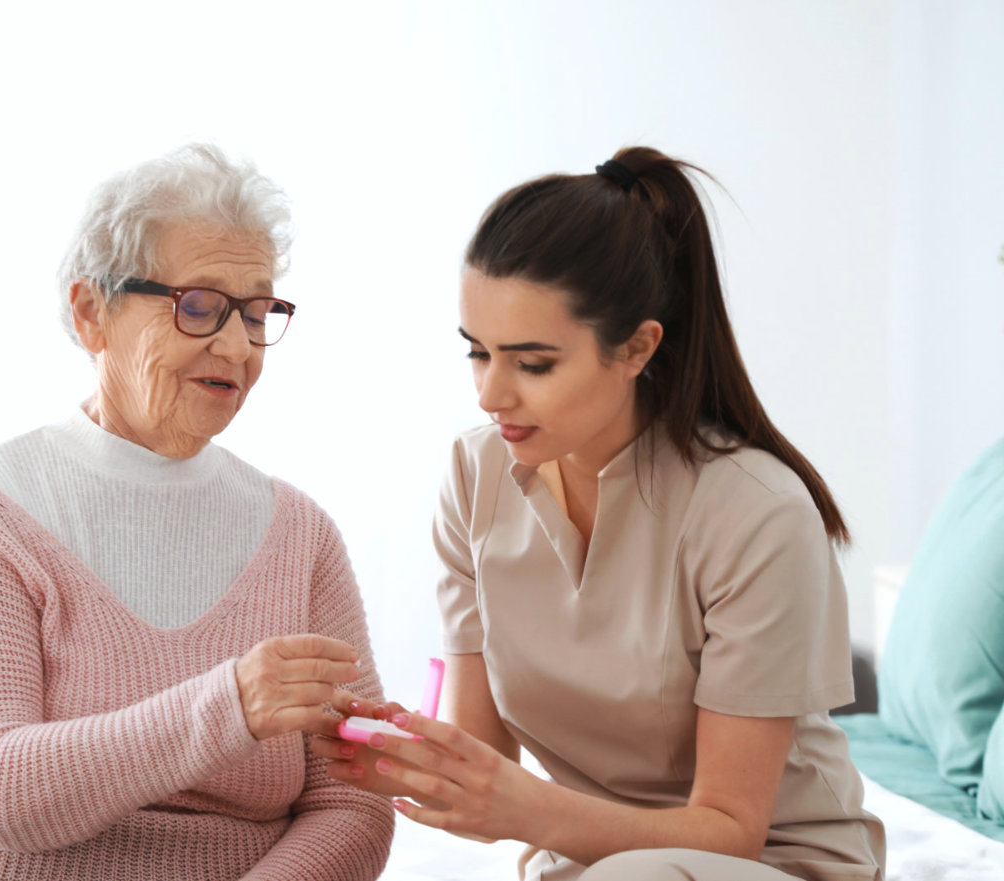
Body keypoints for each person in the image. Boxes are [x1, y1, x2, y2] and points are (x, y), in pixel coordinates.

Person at [309, 147, 886, 881]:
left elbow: (733, 830)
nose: (491, 394)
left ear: (639, 347)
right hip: (590, 861)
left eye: (533, 362)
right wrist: (407, 758)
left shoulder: (757, 512)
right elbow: (482, 752)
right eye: (477, 353)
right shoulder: (475, 474)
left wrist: (524, 809)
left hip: (773, 863)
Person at [0, 144, 395, 881]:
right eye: (199, 306)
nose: (238, 346)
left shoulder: (301, 535)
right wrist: (230, 704)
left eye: (258, 310)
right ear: (91, 314)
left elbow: (353, 804)